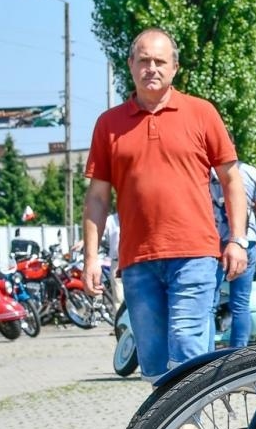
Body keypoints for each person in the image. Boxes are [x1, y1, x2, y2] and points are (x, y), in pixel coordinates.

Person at [83, 27, 247, 383]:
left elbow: (232, 179)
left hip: (195, 254)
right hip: (137, 260)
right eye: (144, 60)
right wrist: (92, 257)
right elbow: (97, 197)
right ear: (130, 65)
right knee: (154, 362)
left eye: (160, 61)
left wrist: (237, 239)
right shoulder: (108, 125)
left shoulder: (201, 113)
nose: (151, 68)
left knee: (187, 345)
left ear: (175, 67)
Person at [210, 160, 256, 348]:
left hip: (214, 241)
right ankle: (237, 356)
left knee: (208, 305)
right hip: (246, 241)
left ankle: (203, 357)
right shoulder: (249, 171)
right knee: (240, 304)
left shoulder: (205, 172)